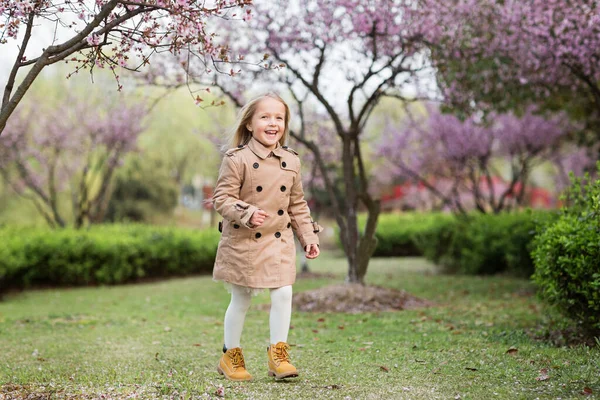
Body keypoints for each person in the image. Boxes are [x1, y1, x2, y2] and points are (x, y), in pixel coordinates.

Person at [212, 92, 321, 381]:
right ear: (249, 123)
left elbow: (297, 204)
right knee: (242, 298)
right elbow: (222, 197)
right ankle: (230, 355)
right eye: (265, 117)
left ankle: (278, 355)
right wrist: (246, 212)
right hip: (244, 240)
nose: (273, 123)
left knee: (284, 292)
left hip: (279, 239)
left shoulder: (291, 161)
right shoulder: (237, 159)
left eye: (279, 118)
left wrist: (308, 236)